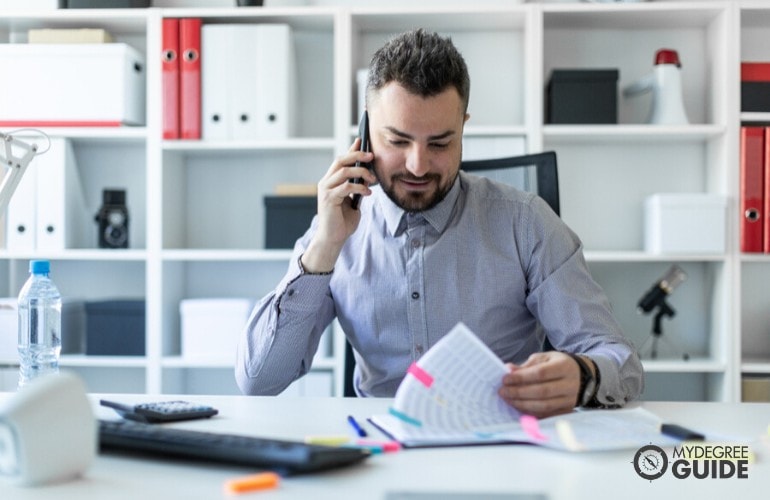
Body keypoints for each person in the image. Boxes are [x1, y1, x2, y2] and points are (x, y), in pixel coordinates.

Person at [236, 28, 643, 418]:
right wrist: (324, 247)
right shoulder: (334, 229)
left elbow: (620, 362)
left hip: (501, 447)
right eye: (397, 140)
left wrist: (582, 376)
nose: (417, 165)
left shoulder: (526, 224)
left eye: (440, 143)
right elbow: (259, 380)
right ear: (364, 132)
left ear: (464, 126)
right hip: (382, 451)